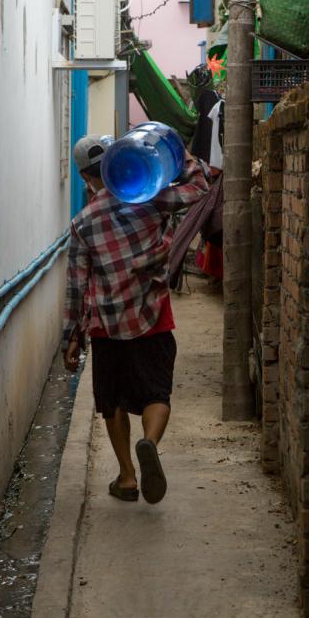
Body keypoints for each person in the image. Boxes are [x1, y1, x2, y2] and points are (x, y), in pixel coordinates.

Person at [62, 134, 209, 504]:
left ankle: (127, 477)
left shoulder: (83, 222)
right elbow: (200, 188)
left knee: (111, 401)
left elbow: (76, 287)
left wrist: (72, 337)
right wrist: (179, 153)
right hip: (153, 315)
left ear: (84, 177)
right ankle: (150, 441)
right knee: (156, 392)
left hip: (107, 326)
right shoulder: (151, 198)